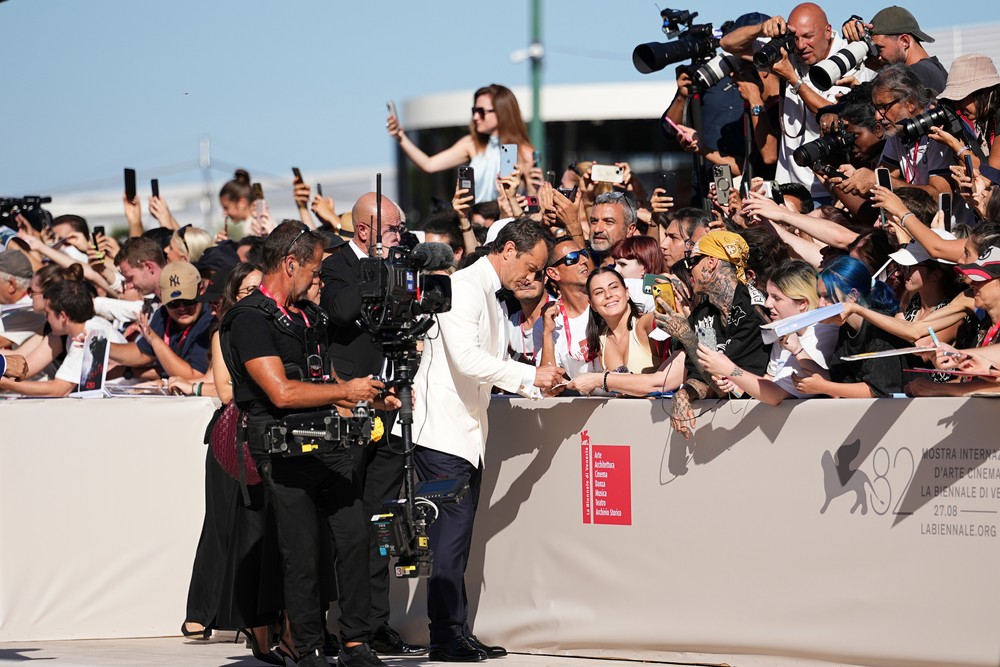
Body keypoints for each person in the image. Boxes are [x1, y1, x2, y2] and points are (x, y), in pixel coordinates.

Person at [221, 221, 395, 667]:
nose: (321, 279)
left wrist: (366, 393)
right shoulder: (249, 319)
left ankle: (357, 642)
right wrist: (345, 392)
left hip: (329, 445)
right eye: (316, 269)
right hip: (283, 451)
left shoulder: (309, 315)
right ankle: (310, 647)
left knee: (355, 537)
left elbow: (321, 377)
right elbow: (281, 392)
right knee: (301, 551)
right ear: (290, 263)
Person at [410, 219, 564, 662]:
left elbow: (491, 363)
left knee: (457, 541)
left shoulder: (491, 293)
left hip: (466, 436)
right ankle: (445, 637)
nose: (533, 278)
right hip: (442, 436)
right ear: (510, 249)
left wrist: (536, 383)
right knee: (447, 542)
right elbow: (468, 360)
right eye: (532, 267)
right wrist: (531, 376)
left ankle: (454, 631)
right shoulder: (462, 287)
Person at [319, 193, 427, 657]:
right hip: (352, 406)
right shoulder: (338, 264)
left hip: (391, 401)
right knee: (352, 522)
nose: (400, 237)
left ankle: (378, 623)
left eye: (402, 229)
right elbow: (340, 311)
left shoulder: (401, 262)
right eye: (392, 229)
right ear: (364, 230)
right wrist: (377, 270)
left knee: (383, 519)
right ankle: (350, 624)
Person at [180, 262, 284, 666]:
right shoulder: (227, 331)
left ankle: (263, 620)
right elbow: (225, 390)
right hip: (234, 440)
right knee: (222, 527)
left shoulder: (281, 324)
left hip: (269, 436)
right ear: (233, 297)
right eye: (247, 291)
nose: (256, 295)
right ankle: (203, 612)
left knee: (266, 532)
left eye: (261, 288)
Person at [721, 3, 868, 201]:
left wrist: (793, 79)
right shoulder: (791, 54)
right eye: (795, 38)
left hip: (831, 190)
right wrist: (762, 28)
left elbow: (832, 117)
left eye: (808, 37)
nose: (800, 46)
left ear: (827, 31)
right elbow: (728, 44)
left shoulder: (849, 59)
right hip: (790, 188)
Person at [653, 230, 772, 439]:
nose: (689, 270)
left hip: (764, 427)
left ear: (711, 262)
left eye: (693, 262)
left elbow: (725, 386)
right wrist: (684, 394)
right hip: (726, 431)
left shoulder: (755, 311)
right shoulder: (704, 310)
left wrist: (687, 337)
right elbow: (703, 378)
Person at [696, 259, 837, 403]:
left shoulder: (821, 333)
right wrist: (738, 383)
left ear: (802, 303)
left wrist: (730, 369)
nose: (767, 303)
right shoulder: (785, 330)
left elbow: (775, 395)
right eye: (769, 295)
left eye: (776, 298)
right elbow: (770, 380)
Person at [387, 84, 534, 202]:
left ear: (502, 112)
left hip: (507, 226)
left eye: (482, 112)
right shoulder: (471, 144)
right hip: (476, 225)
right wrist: (400, 137)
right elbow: (429, 164)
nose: (476, 117)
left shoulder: (525, 152)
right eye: (474, 111)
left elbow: (534, 198)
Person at [794, 256, 906, 398]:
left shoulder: (878, 329)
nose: (821, 304)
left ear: (853, 295)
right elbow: (839, 381)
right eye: (819, 296)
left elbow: (877, 391)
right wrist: (796, 349)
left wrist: (824, 387)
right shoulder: (846, 328)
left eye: (827, 296)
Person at [567, 267, 683, 397]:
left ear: (627, 292)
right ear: (592, 304)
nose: (608, 295)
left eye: (614, 287)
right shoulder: (602, 340)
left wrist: (671, 298)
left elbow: (667, 319)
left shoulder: (643, 324)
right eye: (599, 292)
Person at [0, 277, 126, 396]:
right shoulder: (76, 332)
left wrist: (3, 382)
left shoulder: (89, 334)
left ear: (63, 316)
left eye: (47, 313)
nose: (45, 318)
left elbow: (58, 390)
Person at [109, 261, 213, 381]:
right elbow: (143, 354)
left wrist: (154, 339)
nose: (182, 308)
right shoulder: (163, 314)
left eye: (188, 300)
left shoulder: (210, 320)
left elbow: (194, 376)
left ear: (201, 291)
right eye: (173, 303)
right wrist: (102, 346)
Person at [842, 6, 947, 93]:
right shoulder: (933, 69)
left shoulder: (916, 73)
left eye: (879, 48)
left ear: (904, 41)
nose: (876, 56)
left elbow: (874, 111)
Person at [540, 237, 598, 378]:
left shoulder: (610, 299)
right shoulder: (551, 319)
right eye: (573, 258)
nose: (583, 261)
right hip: (585, 399)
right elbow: (548, 390)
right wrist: (548, 333)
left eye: (583, 253)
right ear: (553, 273)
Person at [933, 54, 1000, 171]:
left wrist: (954, 144)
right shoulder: (990, 116)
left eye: (960, 99)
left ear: (981, 93)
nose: (957, 106)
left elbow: (993, 173)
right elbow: (983, 163)